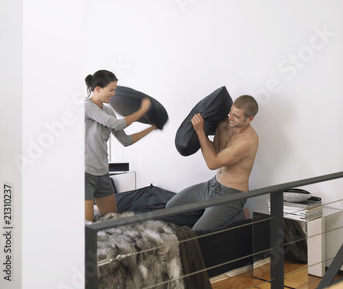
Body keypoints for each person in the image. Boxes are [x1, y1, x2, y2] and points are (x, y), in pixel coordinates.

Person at [165, 95, 259, 232]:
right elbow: (215, 151)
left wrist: (200, 131)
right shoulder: (224, 125)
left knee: (198, 232)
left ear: (249, 119)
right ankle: (210, 214)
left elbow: (212, 163)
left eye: (236, 116)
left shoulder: (247, 142)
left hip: (232, 194)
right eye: (231, 112)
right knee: (171, 208)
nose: (230, 117)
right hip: (213, 185)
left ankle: (240, 215)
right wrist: (200, 130)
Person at [85, 70, 157, 221]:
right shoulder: (87, 106)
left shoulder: (108, 111)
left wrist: (151, 128)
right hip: (85, 173)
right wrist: (141, 111)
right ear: (97, 88)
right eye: (111, 90)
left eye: (115, 90)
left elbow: (126, 141)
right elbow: (115, 124)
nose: (114, 94)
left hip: (102, 173)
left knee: (112, 220)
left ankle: (93, 207)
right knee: (87, 225)